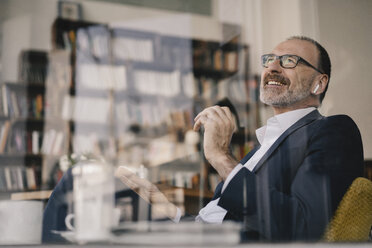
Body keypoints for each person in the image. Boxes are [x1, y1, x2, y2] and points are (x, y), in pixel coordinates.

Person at [116, 36, 364, 241]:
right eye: (269, 60)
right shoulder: (261, 148)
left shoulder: (333, 130)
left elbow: (300, 229)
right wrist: (167, 209)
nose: (272, 67)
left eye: (289, 61)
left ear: (318, 84)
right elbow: (218, 223)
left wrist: (221, 158)